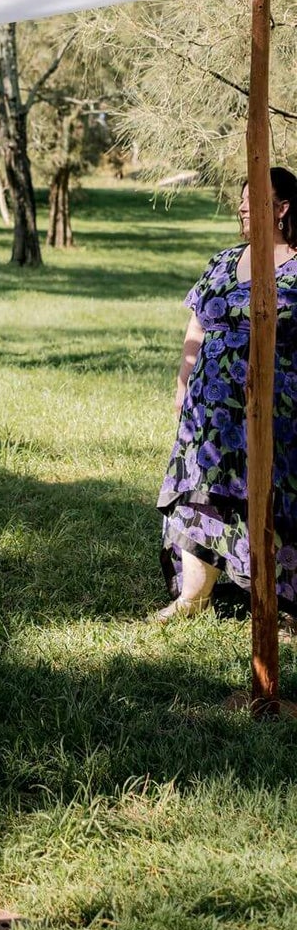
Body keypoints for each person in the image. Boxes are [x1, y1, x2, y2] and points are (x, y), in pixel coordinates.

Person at [155, 166, 297, 620]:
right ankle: (193, 598)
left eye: (252, 199)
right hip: (210, 412)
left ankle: (281, 604)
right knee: (203, 491)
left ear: (282, 208)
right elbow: (196, 324)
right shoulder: (223, 260)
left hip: (278, 409)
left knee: (276, 496)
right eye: (240, 199)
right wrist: (183, 384)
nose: (240, 206)